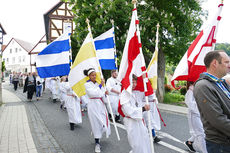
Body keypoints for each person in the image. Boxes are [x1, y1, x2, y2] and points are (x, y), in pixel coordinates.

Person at [194, 50, 230, 153]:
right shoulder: (203, 86)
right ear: (214, 63)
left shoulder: (222, 83)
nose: (229, 65)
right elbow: (217, 119)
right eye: (226, 62)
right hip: (220, 145)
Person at [119, 74, 151, 153]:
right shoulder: (124, 94)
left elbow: (145, 93)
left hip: (139, 120)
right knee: (136, 143)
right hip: (131, 122)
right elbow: (128, 110)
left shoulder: (135, 93)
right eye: (132, 82)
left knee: (145, 139)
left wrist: (145, 80)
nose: (134, 85)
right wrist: (143, 109)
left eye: (135, 82)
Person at [84, 68, 110, 153]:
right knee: (95, 123)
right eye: (92, 75)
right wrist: (100, 86)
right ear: (89, 76)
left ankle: (98, 134)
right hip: (93, 105)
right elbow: (93, 93)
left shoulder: (99, 83)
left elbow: (101, 94)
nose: (94, 76)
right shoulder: (87, 84)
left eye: (95, 75)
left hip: (100, 104)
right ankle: (97, 143)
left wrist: (106, 94)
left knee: (103, 123)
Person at [184, 82, 207, 153]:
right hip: (194, 114)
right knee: (200, 133)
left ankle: (190, 142)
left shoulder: (200, 89)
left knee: (200, 132)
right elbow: (189, 102)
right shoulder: (190, 90)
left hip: (201, 113)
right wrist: (198, 106)